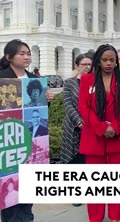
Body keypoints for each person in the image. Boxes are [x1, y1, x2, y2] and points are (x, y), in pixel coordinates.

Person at [78, 44, 120, 222]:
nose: (109, 63)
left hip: (119, 136)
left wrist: (116, 127)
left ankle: (115, 217)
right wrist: (102, 128)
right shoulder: (87, 80)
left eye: (113, 60)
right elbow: (83, 107)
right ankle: (95, 218)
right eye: (105, 60)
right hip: (94, 137)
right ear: (98, 61)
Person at [0, 39, 53, 222]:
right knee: (9, 190)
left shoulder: (34, 80)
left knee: (28, 190)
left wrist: (47, 99)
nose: (26, 57)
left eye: (28, 54)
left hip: (30, 141)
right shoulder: (2, 78)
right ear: (9, 57)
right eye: (22, 54)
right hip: (8, 141)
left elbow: (39, 111)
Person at [60, 54, 92, 208]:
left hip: (91, 128)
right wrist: (79, 121)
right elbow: (67, 105)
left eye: (89, 64)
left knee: (88, 161)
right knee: (75, 161)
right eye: (84, 64)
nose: (87, 67)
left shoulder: (95, 83)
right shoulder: (69, 83)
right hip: (74, 127)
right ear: (77, 65)